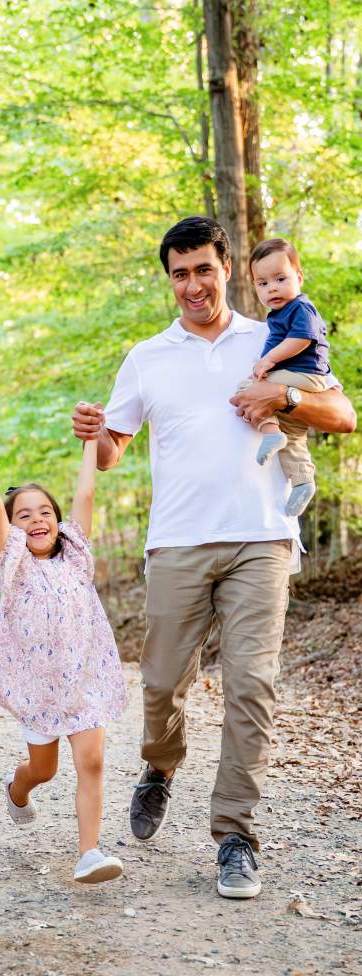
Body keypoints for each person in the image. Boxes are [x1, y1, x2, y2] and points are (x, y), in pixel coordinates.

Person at [72, 217, 355, 899]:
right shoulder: (147, 356)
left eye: (204, 268)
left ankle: (235, 835)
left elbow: (341, 413)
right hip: (176, 540)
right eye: (179, 273)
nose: (192, 284)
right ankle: (160, 766)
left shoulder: (272, 337)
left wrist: (281, 395)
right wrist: (94, 434)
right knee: (163, 682)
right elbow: (113, 450)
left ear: (227, 267)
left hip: (261, 537)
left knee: (250, 687)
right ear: (168, 279)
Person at [0, 424, 127, 884]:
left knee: (91, 761)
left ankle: (89, 852)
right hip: (38, 687)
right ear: (13, 529)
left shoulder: (76, 557)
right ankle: (17, 790)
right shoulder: (12, 566)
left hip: (85, 679)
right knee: (43, 769)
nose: (37, 520)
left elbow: (86, 498)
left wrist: (91, 441)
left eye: (45, 512)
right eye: (25, 515)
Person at [239, 238, 332, 517]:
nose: (272, 288)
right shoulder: (279, 313)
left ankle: (270, 432)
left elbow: (303, 338)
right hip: (297, 379)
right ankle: (303, 481)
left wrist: (269, 359)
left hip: (307, 375)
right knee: (294, 435)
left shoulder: (301, 308)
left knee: (250, 389)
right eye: (263, 283)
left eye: (281, 278)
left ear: (299, 277)